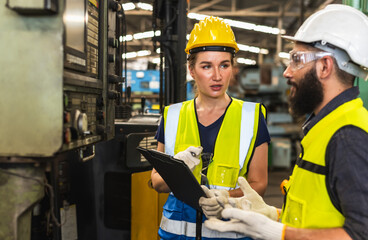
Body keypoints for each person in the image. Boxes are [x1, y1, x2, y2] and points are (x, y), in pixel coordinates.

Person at [204, 4, 368, 240]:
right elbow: (313, 215)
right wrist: (268, 214)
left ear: (324, 67)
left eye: (296, 60)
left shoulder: (347, 136)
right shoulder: (325, 127)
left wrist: (281, 234)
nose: (287, 72)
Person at [150, 16, 271, 239]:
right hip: (176, 235)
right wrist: (177, 169)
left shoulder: (252, 117)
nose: (217, 76)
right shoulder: (172, 115)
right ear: (192, 69)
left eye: (224, 65)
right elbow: (156, 181)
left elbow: (258, 184)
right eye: (206, 66)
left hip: (231, 233)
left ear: (232, 68)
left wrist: (224, 197)